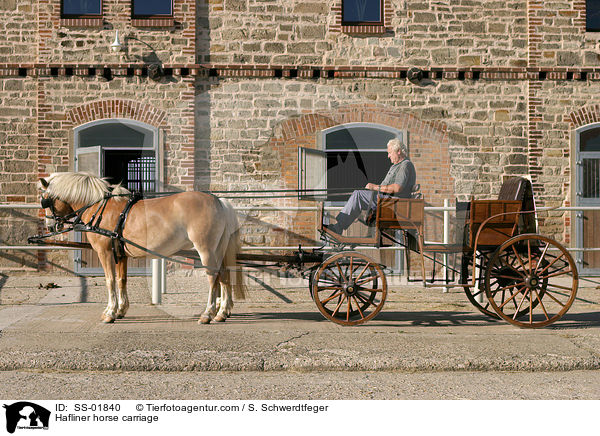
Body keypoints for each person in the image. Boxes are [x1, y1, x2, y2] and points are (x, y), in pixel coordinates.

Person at [326, 137, 416, 235]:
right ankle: (352, 222)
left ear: (398, 151)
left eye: (390, 153)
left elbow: (397, 187)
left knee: (358, 195)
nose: (388, 156)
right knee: (359, 194)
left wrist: (375, 187)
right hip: (386, 201)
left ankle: (338, 227)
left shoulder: (405, 165)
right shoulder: (396, 166)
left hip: (392, 203)